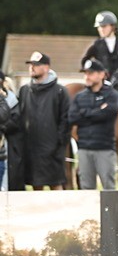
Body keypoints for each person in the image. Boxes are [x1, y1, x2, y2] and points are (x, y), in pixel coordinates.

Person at [15, 52, 70, 191]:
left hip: (53, 149)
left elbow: (66, 120)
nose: (32, 68)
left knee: (55, 184)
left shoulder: (59, 91)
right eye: (31, 65)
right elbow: (19, 118)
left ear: (46, 67)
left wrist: (59, 143)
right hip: (31, 148)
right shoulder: (25, 91)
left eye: (36, 65)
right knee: (35, 185)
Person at [68, 59, 118, 189]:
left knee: (108, 186)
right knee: (86, 187)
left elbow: (108, 113)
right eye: (85, 73)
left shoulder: (112, 95)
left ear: (102, 75)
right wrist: (97, 111)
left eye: (90, 73)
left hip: (104, 148)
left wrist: (85, 113)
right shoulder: (80, 96)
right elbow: (72, 117)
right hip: (84, 148)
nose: (87, 76)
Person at [80, 11, 118, 91]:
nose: (101, 29)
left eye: (104, 26)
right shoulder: (96, 45)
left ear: (112, 27)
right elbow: (84, 60)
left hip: (117, 84)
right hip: (100, 83)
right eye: (99, 27)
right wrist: (92, 74)